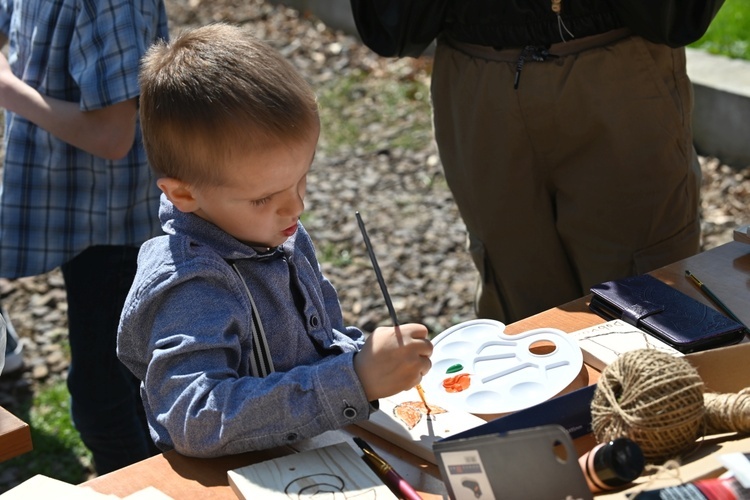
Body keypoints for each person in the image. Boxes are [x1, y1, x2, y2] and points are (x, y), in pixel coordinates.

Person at [116, 23, 433, 458]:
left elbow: (316, 346)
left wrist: (368, 357)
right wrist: (356, 378)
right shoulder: (192, 284)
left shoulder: (274, 231)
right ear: (184, 194)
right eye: (264, 197)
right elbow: (195, 418)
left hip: (317, 454)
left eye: (301, 179)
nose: (295, 209)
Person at [352, 1, 708, 324]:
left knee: (649, 306)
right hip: (479, 73)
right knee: (524, 315)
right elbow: (391, 27)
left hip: (619, 67)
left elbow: (679, 17)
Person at [0, 0, 168, 473]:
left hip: (117, 223)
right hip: (74, 209)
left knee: (105, 406)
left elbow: (113, 136)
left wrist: (9, 89)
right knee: (119, 392)